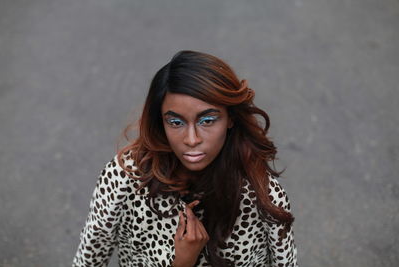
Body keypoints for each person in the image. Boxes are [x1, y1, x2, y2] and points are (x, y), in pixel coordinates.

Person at [72, 50, 298, 267]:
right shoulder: (126, 177)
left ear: (230, 118)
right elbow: (89, 258)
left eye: (207, 120)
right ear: (160, 121)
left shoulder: (262, 194)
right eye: (176, 122)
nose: (191, 139)